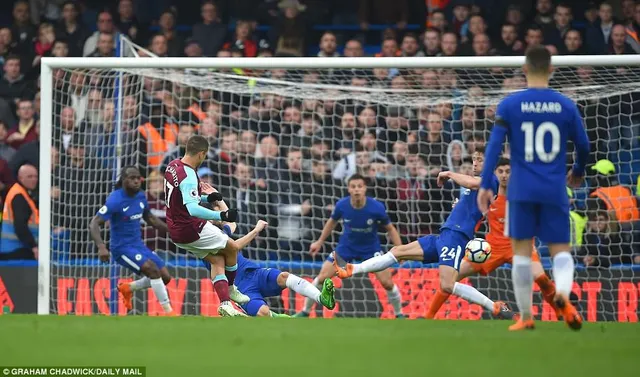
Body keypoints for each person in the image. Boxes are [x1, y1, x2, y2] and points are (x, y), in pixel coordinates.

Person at [477, 45, 590, 331]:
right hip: (553, 188)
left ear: (524, 70)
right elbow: (584, 145)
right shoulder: (565, 105)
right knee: (560, 251)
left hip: (521, 189)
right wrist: (576, 171)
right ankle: (562, 295)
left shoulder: (510, 105)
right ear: (551, 70)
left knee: (522, 254)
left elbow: (494, 147)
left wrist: (484, 184)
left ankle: (526, 317)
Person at [333, 148, 515, 320]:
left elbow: (472, 183)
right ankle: (351, 269)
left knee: (447, 285)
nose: (475, 163)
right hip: (444, 235)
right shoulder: (479, 185)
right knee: (398, 251)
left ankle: (495, 307)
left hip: (456, 237)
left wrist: (449, 173)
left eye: (480, 159)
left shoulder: (491, 179)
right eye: (474, 159)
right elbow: (472, 202)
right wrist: (459, 206)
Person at [427, 158, 561, 319]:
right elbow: (472, 219)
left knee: (541, 278)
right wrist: (461, 209)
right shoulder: (488, 197)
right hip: (492, 248)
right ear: (495, 173)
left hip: (519, 246)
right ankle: (428, 316)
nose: (504, 175)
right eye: (501, 171)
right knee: (451, 277)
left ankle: (560, 312)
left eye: (508, 171)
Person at [164, 135, 267, 317]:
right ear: (202, 154)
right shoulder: (189, 175)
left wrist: (209, 198)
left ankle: (225, 303)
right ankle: (232, 288)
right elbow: (193, 209)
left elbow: (184, 196)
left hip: (175, 231)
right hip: (190, 228)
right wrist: (221, 215)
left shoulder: (173, 165)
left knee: (217, 260)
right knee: (232, 248)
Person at [202, 197, 336, 317]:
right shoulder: (206, 240)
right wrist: (256, 230)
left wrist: (217, 197)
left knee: (284, 277)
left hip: (254, 273)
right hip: (240, 287)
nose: (220, 215)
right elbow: (235, 246)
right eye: (216, 212)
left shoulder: (220, 230)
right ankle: (280, 318)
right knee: (263, 312)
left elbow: (231, 221)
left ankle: (321, 298)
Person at [296, 174, 404, 318]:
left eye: (360, 186)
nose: (356, 190)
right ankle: (305, 311)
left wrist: (400, 249)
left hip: (371, 250)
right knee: (322, 278)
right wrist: (319, 241)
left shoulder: (376, 207)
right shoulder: (342, 205)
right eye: (353, 187)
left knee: (387, 283)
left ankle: (399, 314)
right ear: (349, 189)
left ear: (365, 188)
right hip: (346, 249)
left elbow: (390, 228)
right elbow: (331, 223)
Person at [89, 166, 176, 315]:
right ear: (124, 180)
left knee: (165, 277)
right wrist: (101, 246)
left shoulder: (141, 196)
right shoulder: (115, 200)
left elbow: (150, 218)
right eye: (132, 178)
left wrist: (172, 231)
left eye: (138, 178)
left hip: (138, 245)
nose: (136, 181)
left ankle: (128, 288)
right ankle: (169, 312)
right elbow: (94, 223)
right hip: (121, 248)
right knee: (153, 271)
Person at [0, 164, 38, 260]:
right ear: (20, 178)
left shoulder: (22, 193)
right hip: (17, 249)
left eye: (36, 176)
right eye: (30, 176)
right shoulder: (19, 196)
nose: (34, 179)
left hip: (13, 248)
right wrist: (34, 246)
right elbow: (20, 226)